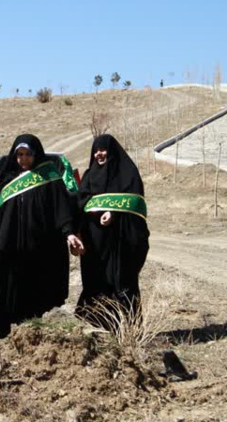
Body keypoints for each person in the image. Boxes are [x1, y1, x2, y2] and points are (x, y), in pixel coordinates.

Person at [0, 135, 85, 339]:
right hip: (7, 246)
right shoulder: (7, 178)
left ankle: (30, 334)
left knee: (33, 290)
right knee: (3, 287)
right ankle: (0, 332)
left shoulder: (49, 176)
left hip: (38, 248)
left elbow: (61, 208)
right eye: (19, 155)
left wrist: (69, 233)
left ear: (36, 154)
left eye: (27, 154)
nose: (23, 159)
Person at [74, 135, 150, 326]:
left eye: (103, 149)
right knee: (96, 281)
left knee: (122, 282)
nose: (99, 154)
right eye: (96, 150)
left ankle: (129, 330)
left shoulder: (128, 172)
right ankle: (99, 326)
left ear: (112, 150)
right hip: (95, 244)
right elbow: (81, 202)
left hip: (121, 240)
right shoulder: (90, 175)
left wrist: (114, 213)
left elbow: (135, 204)